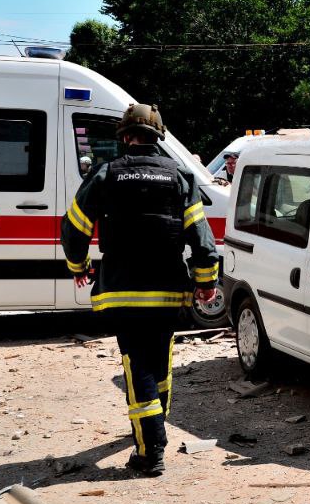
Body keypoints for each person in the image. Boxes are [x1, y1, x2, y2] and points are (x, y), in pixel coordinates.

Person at [60, 103, 219, 477]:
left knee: (138, 365)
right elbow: (201, 236)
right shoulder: (180, 176)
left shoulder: (105, 174)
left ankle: (150, 452)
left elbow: (74, 229)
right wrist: (206, 282)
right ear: (158, 137)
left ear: (125, 137)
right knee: (159, 362)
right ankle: (155, 428)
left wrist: (78, 266)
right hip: (167, 289)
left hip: (123, 289)